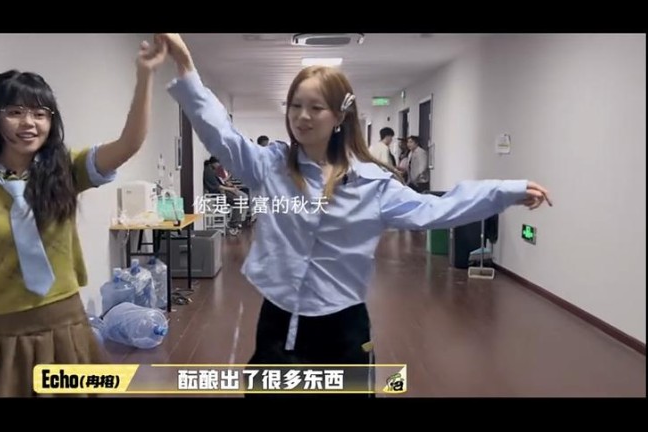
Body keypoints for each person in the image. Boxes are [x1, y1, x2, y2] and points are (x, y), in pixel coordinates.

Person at [156, 33, 551, 397]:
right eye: (295, 106)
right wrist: (186, 66)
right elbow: (220, 133)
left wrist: (505, 191)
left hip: (343, 325)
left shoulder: (371, 185)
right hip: (279, 320)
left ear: (339, 117)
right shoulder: (270, 167)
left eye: (315, 108)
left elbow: (437, 208)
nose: (302, 116)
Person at [0, 36, 168, 397]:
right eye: (15, 112)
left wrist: (145, 75)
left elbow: (129, 143)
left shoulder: (65, 169)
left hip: (64, 326)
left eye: (40, 114)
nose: (29, 123)